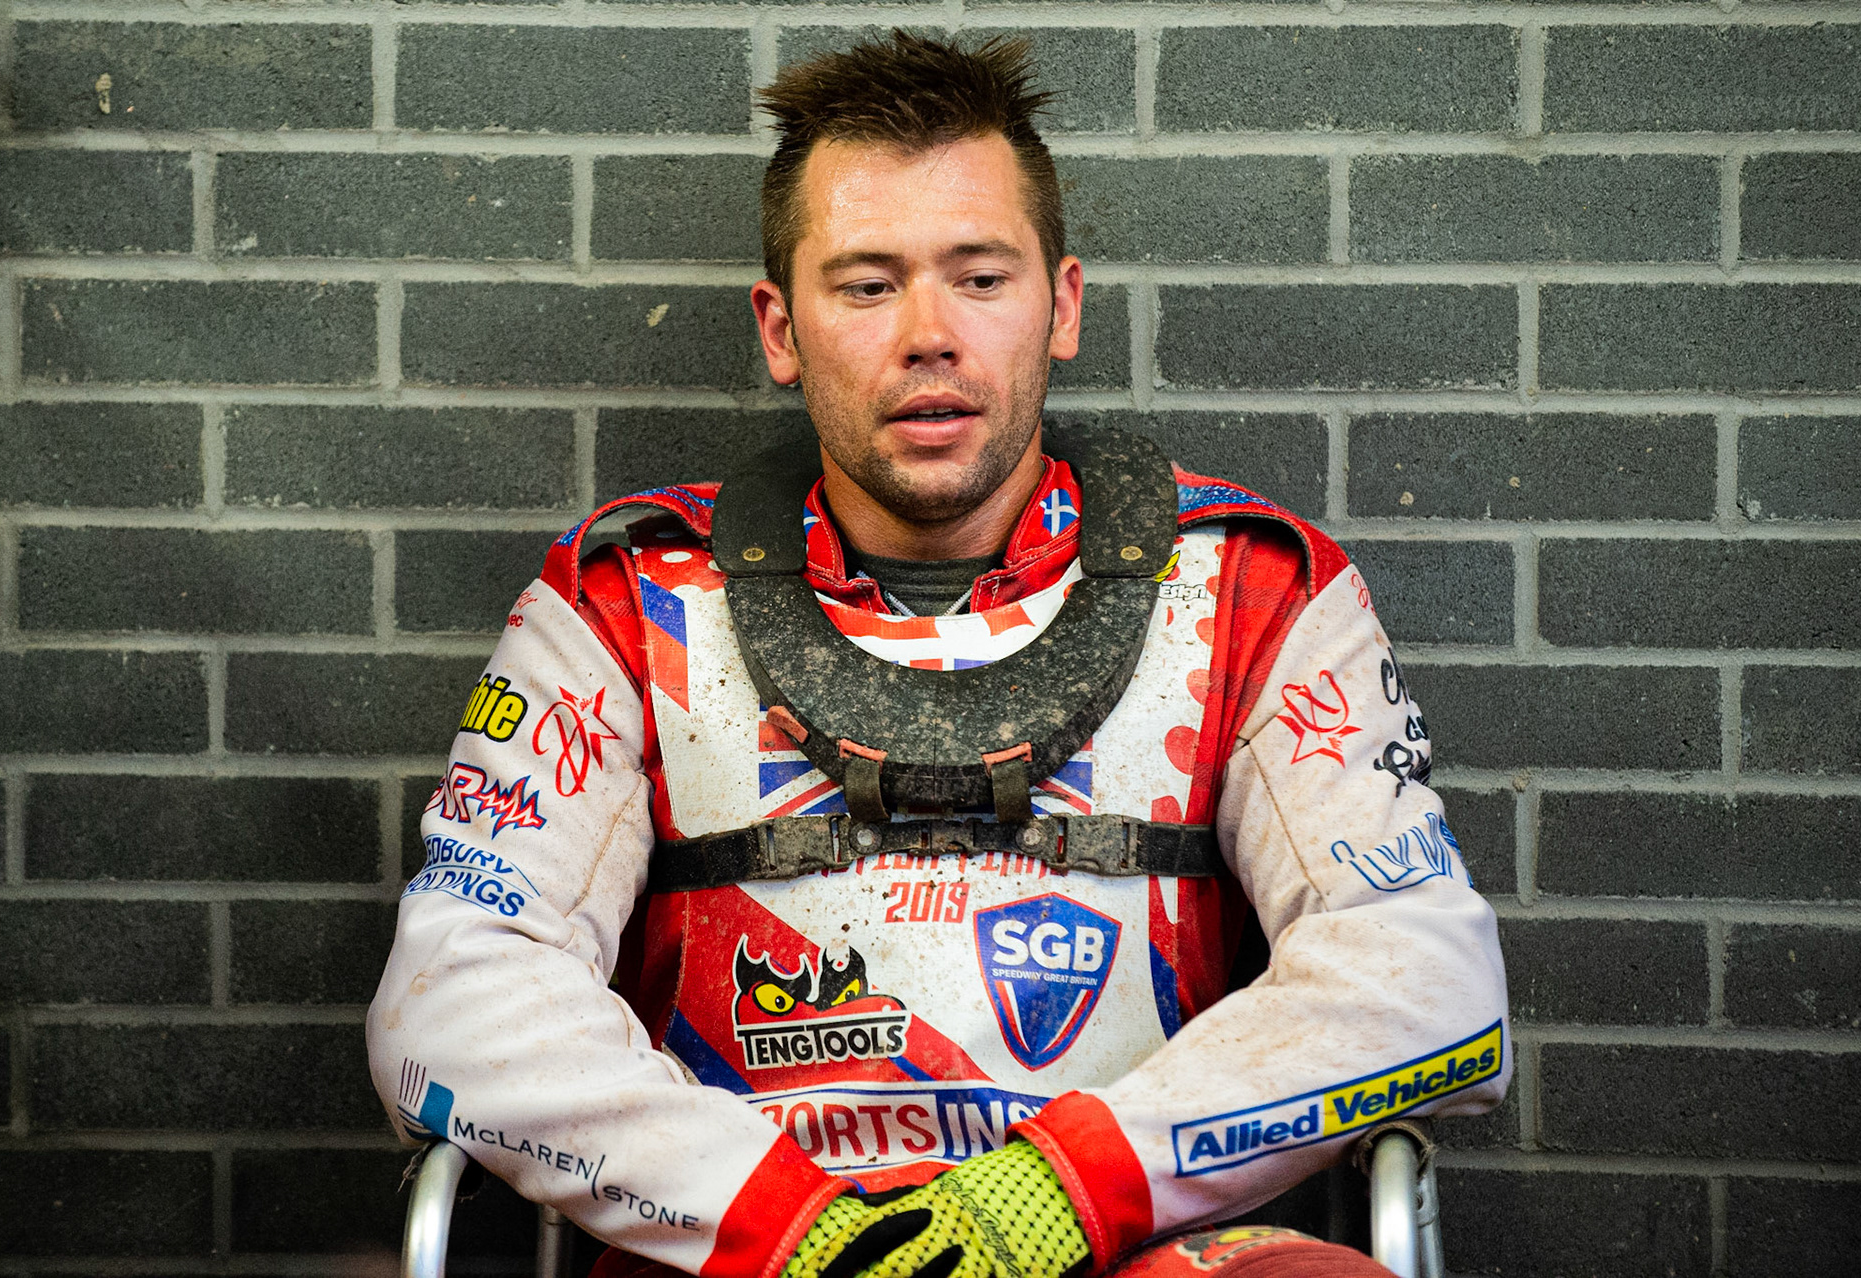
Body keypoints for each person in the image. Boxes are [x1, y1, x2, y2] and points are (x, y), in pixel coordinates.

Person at [367, 31, 1508, 1278]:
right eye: (865, 284)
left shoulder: (1252, 588)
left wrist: (1069, 1191)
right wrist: (784, 1229)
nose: (929, 334)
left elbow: (1429, 977)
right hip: (741, 1252)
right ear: (780, 327)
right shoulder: (624, 597)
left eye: (980, 277)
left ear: (1062, 304)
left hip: (1124, 1245)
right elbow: (452, 998)